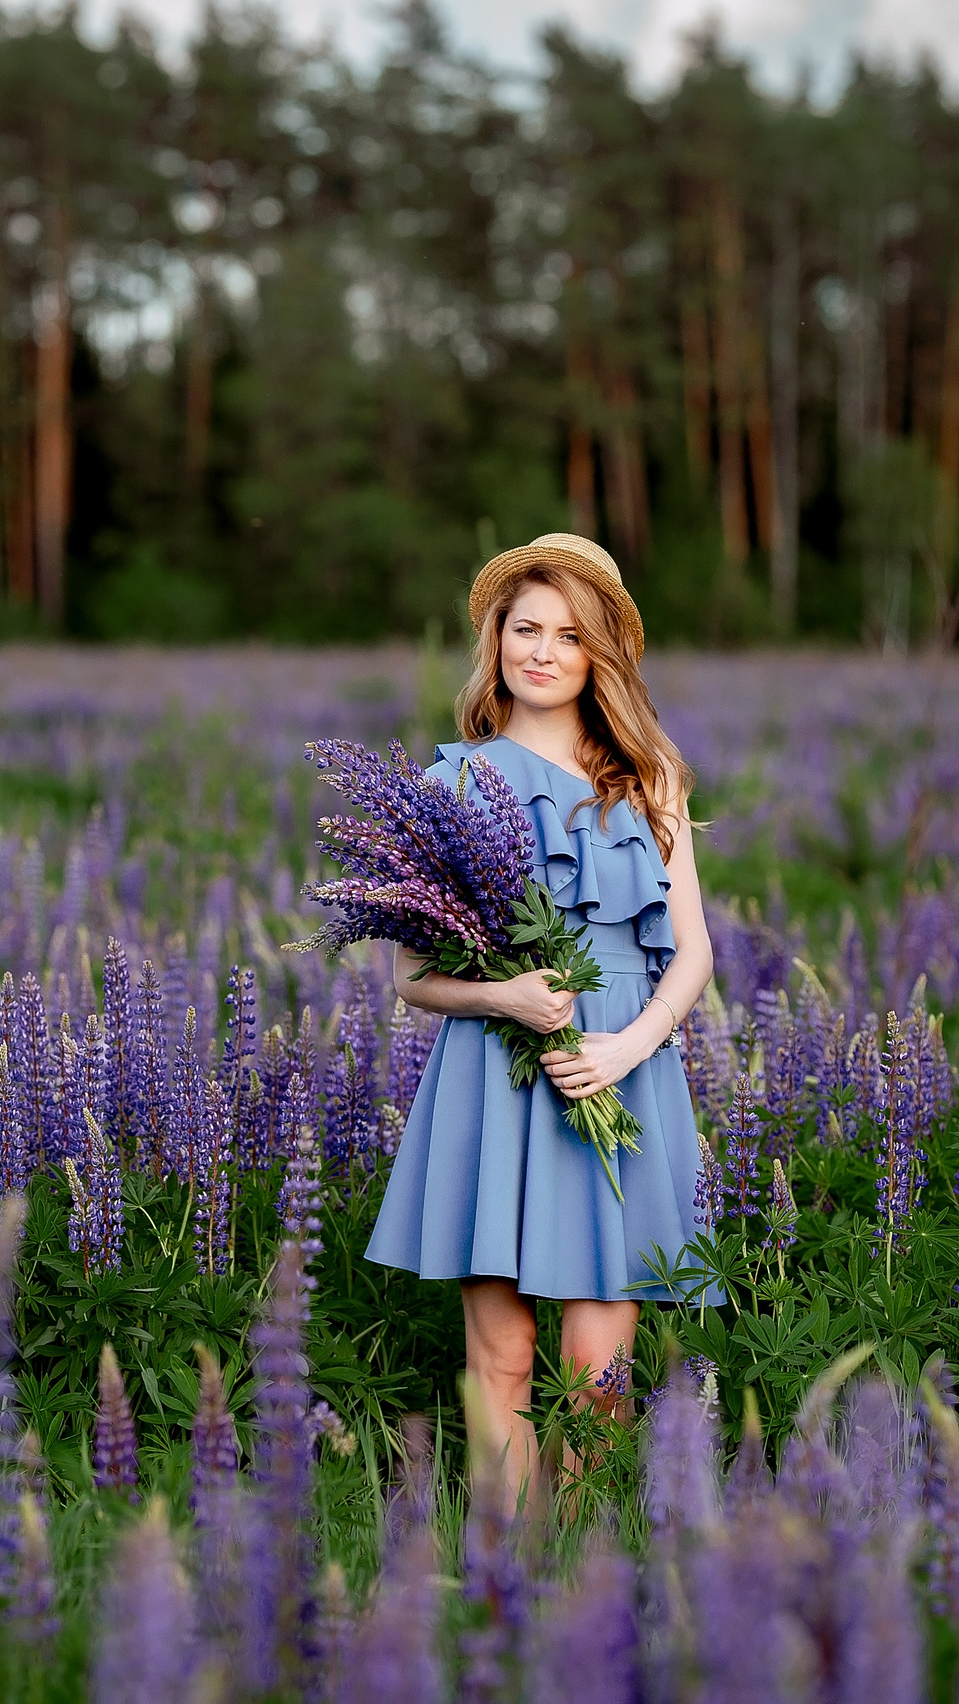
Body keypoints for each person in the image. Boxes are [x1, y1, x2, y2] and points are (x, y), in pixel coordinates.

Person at [364, 531, 719, 1509]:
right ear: (497, 639)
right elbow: (412, 977)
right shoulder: (452, 785)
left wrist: (627, 1048)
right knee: (502, 1353)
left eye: (570, 635)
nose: (544, 652)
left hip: (621, 1063)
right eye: (527, 629)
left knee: (599, 1366)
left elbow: (693, 952)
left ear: (600, 654)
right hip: (496, 1068)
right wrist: (505, 998)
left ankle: (581, 1569)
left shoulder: (649, 781)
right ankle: (501, 1565)